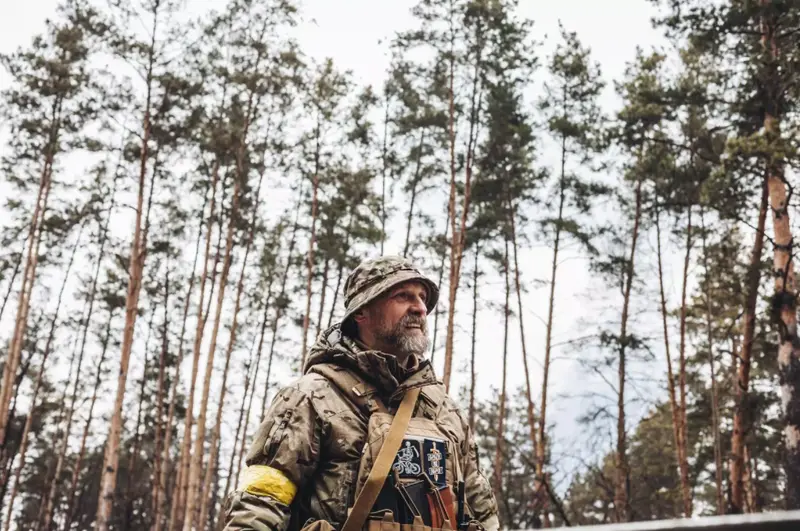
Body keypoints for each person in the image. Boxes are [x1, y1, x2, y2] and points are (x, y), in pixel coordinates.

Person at [221, 255, 499, 531]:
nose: (420, 308)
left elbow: (483, 512)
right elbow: (260, 505)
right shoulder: (311, 396)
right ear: (361, 312)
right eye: (403, 296)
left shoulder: (444, 411)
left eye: (422, 298)